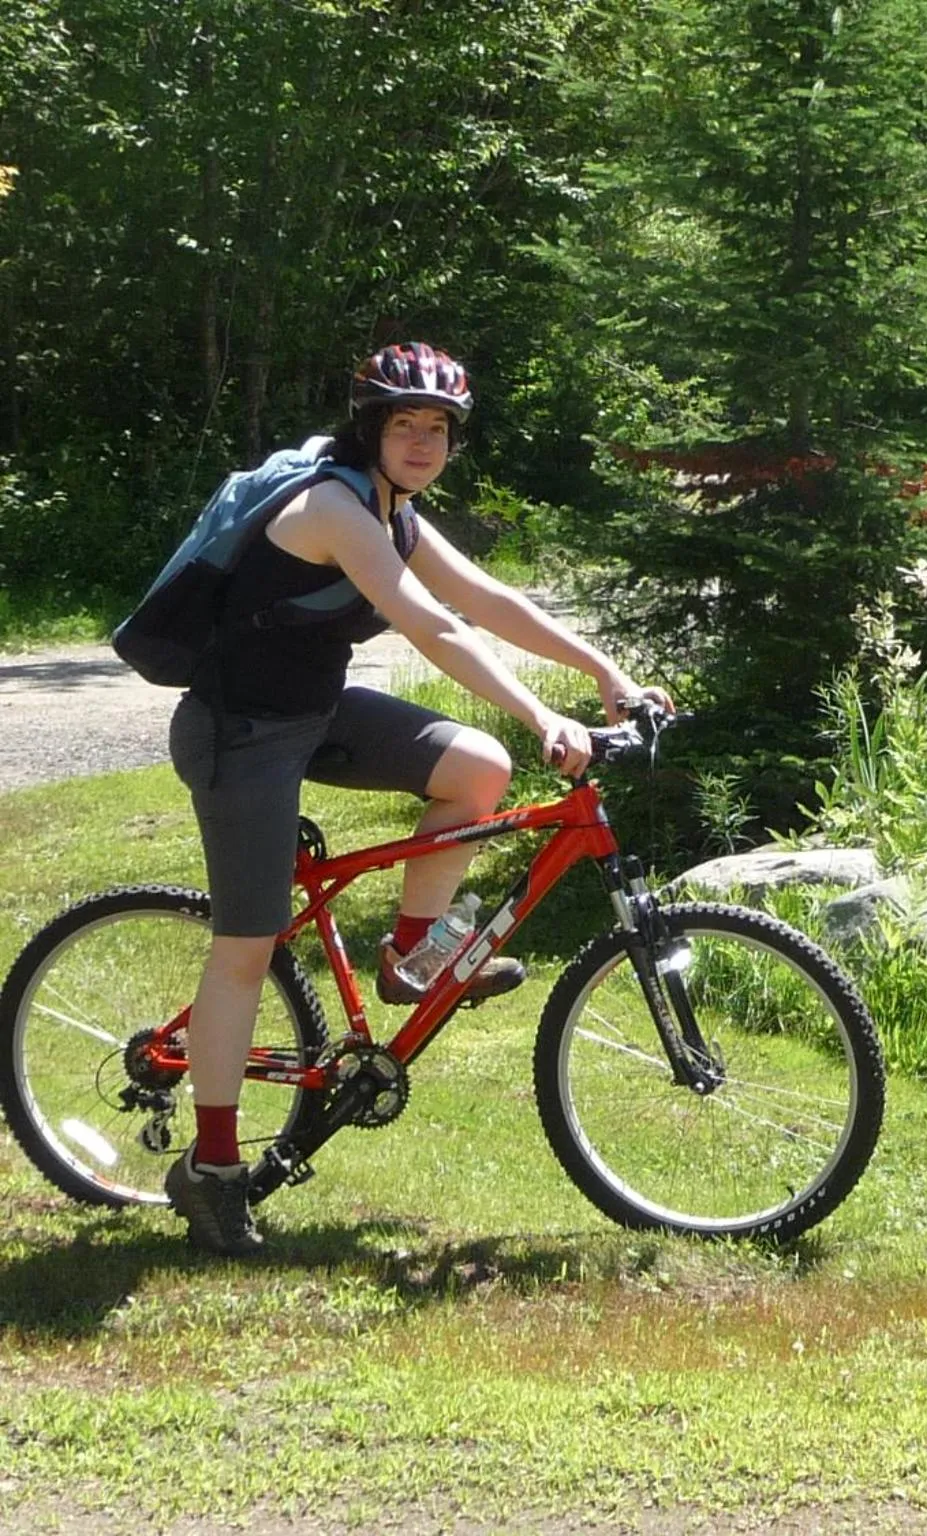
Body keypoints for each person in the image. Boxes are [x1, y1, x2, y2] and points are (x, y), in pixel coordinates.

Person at [164, 341, 669, 1255]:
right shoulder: (332, 507)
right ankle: (213, 1170)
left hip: (316, 713)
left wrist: (606, 672)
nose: (422, 442)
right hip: (239, 731)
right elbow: (434, 626)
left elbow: (486, 597)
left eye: (437, 428)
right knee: (247, 947)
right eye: (404, 424)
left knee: (477, 767)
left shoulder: (395, 510)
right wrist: (541, 714)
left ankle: (410, 957)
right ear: (371, 430)